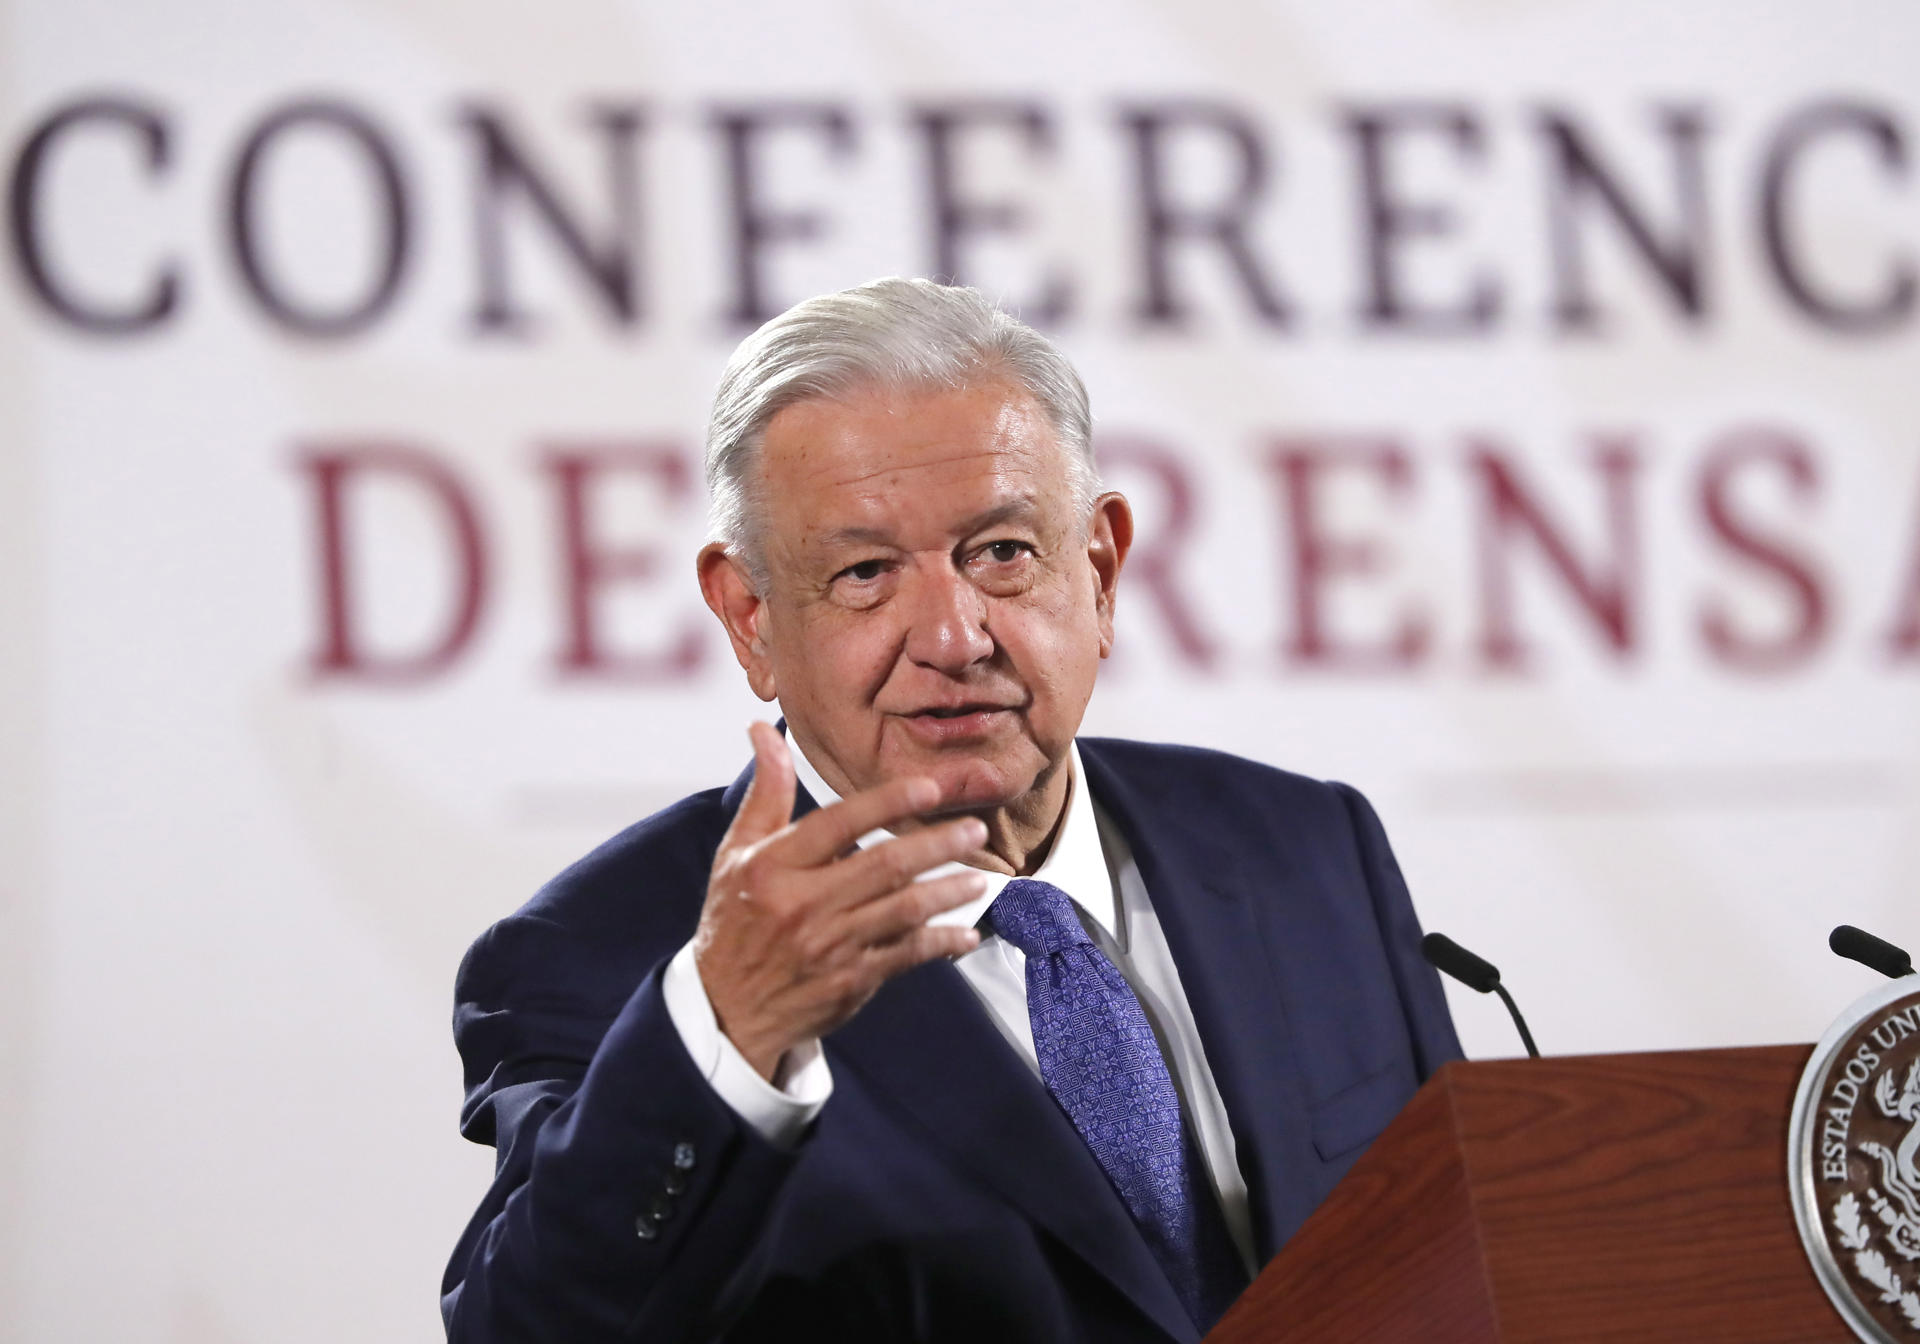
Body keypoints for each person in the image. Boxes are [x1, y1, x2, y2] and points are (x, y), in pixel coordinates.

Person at [442, 278, 1461, 1343]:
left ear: (1102, 572)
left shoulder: (1304, 848)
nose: (953, 636)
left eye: (1003, 554)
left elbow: (1463, 1258)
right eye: (867, 573)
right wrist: (729, 1036)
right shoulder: (607, 954)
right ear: (749, 617)